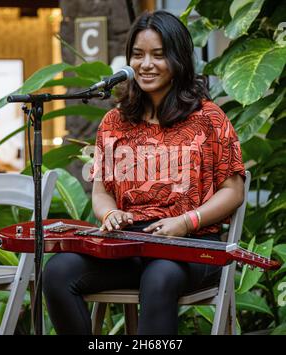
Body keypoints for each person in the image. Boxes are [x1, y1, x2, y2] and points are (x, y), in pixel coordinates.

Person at [43, 10, 245, 335]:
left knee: (159, 276)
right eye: (138, 55)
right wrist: (109, 213)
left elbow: (233, 191)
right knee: (57, 272)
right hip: (128, 244)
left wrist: (185, 222)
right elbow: (101, 190)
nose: (145, 64)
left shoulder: (208, 118)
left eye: (158, 55)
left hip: (192, 244)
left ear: (178, 59)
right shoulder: (115, 121)